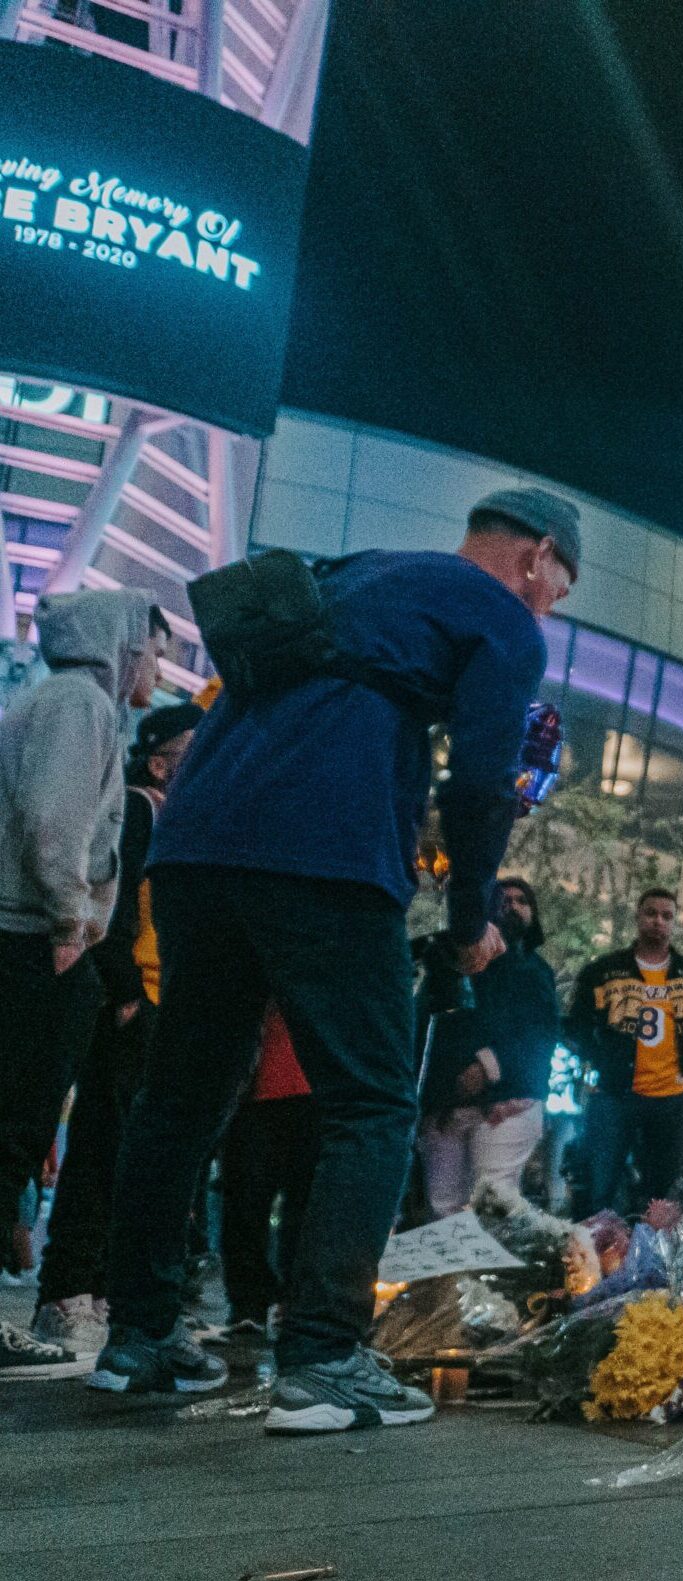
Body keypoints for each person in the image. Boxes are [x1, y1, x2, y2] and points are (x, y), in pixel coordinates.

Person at [92, 487, 576, 1429]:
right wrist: (470, 915)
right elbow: (481, 781)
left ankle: (137, 1335)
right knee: (373, 1100)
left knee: (181, 1097)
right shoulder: (501, 616)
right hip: (326, 849)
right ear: (538, 554)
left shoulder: (360, 574)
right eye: (559, 586)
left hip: (197, 842)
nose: (550, 607)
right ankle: (323, 1357)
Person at [0, 590, 165, 1380]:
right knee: (15, 1125)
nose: (156, 666)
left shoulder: (57, 699)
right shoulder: (81, 704)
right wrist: (72, 920)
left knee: (16, 1127)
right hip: (34, 939)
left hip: (29, 934)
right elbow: (52, 820)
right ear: (121, 644)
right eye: (152, 648)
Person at [29, 701, 202, 1361]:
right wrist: (127, 989)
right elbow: (116, 896)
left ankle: (99, 1290)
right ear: (158, 761)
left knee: (130, 1151)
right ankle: (67, 1293)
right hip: (135, 1000)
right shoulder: (138, 808)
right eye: (190, 751)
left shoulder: (174, 817)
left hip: (156, 1001)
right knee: (103, 1146)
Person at [566, 889, 683, 1212]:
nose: (658, 921)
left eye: (667, 916)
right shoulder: (603, 971)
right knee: (600, 1187)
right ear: (638, 916)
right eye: (651, 913)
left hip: (673, 1099)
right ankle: (592, 1242)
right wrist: (599, 1061)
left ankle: (648, 1245)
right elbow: (576, 1025)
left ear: (675, 923)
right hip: (615, 1095)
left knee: (662, 1196)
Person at [416, 877, 561, 1216]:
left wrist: (488, 1067)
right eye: (503, 900)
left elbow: (540, 1034)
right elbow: (434, 1022)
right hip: (446, 1101)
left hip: (510, 1099)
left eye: (522, 900)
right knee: (443, 1207)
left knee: (493, 1203)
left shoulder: (537, 972)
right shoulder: (448, 962)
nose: (512, 906)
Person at [216, 1007, 322, 1340]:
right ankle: (251, 1304)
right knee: (247, 1200)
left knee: (298, 1206)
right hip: (258, 1087)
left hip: (305, 1087)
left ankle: (281, 1302)